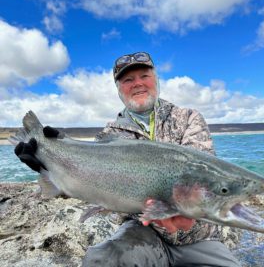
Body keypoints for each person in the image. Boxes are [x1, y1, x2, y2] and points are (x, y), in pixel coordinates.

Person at [15, 52, 241, 267]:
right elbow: (89, 186)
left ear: (156, 79)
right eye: (128, 79)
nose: (137, 83)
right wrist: (50, 164)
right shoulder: (110, 136)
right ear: (118, 89)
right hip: (142, 234)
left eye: (144, 76)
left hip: (197, 237)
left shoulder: (188, 118)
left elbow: (203, 179)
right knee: (102, 260)